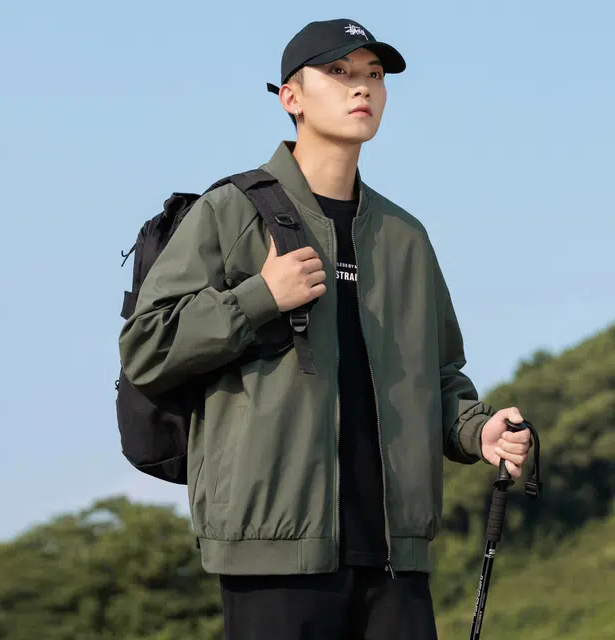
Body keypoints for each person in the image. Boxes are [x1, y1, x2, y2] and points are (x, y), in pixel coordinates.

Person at [118, 17, 532, 640]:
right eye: (338, 72)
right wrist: (261, 296)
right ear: (291, 98)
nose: (361, 87)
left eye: (374, 75)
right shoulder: (230, 212)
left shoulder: (405, 237)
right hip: (274, 551)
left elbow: (440, 375)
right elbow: (147, 345)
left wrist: (479, 430)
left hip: (395, 554)